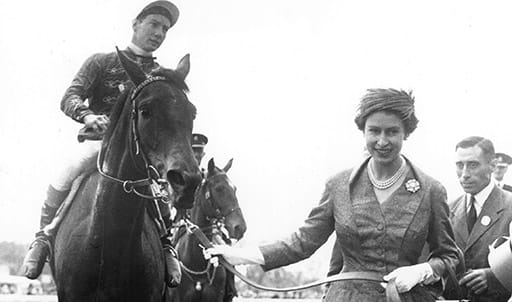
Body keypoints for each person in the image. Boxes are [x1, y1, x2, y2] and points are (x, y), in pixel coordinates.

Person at [209, 88, 460, 301]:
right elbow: (303, 241)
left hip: (404, 298)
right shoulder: (339, 185)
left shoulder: (430, 190)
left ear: (406, 133)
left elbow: (449, 256)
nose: (382, 140)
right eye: (374, 131)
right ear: (363, 132)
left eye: (392, 132)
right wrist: (240, 255)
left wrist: (422, 271)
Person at [22, 1, 181, 286]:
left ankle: (167, 244)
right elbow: (70, 96)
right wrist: (87, 115)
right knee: (66, 170)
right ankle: (44, 236)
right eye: (154, 24)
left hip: (140, 153)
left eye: (165, 29)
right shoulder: (101, 61)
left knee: (158, 191)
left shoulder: (160, 76)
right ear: (136, 24)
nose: (159, 32)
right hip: (99, 146)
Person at [448, 136, 512, 302]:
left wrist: (495, 276)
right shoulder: (449, 208)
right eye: (459, 165)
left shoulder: (510, 205)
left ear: (492, 166)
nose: (464, 174)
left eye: (473, 165)